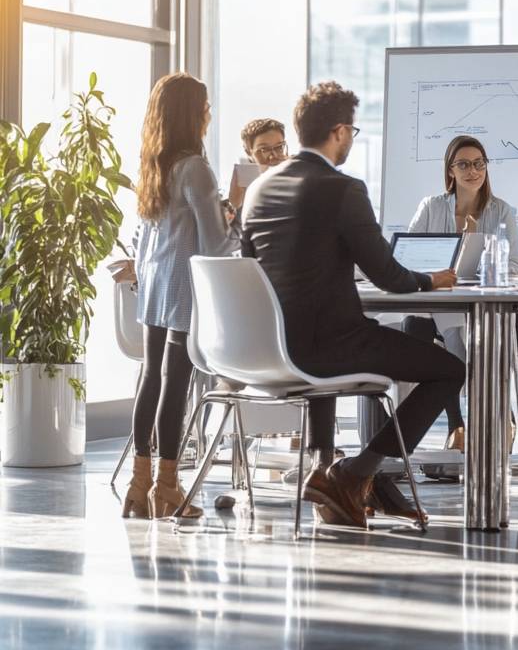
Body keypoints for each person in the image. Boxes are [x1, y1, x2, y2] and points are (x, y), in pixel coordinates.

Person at [241, 81, 464, 528]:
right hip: (329, 347)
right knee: (451, 370)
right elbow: (389, 276)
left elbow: (250, 272)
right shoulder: (342, 188)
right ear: (340, 132)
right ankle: (354, 472)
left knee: (371, 345)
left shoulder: (257, 191)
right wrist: (433, 279)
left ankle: (354, 477)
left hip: (267, 348)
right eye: (353, 133)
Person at [123, 73, 240, 520]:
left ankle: (140, 484)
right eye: (205, 106)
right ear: (194, 114)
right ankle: (167, 487)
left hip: (154, 283)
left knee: (152, 377)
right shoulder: (195, 166)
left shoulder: (153, 163)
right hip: (184, 287)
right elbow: (215, 246)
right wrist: (234, 219)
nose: (209, 113)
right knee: (177, 382)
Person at [402, 134, 518, 452]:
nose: (473, 171)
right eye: (463, 164)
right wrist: (434, 274)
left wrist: (484, 267)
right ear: (450, 170)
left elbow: (517, 267)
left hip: (483, 306)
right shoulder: (431, 207)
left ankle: (465, 426)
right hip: (440, 299)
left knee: (462, 336)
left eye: (479, 163)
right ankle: (491, 418)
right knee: (452, 332)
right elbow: (407, 256)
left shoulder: (500, 211)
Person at [227, 117, 288, 209]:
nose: (273, 155)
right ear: (248, 151)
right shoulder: (244, 175)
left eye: (279, 147)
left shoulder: (295, 167)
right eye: (264, 149)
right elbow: (235, 203)